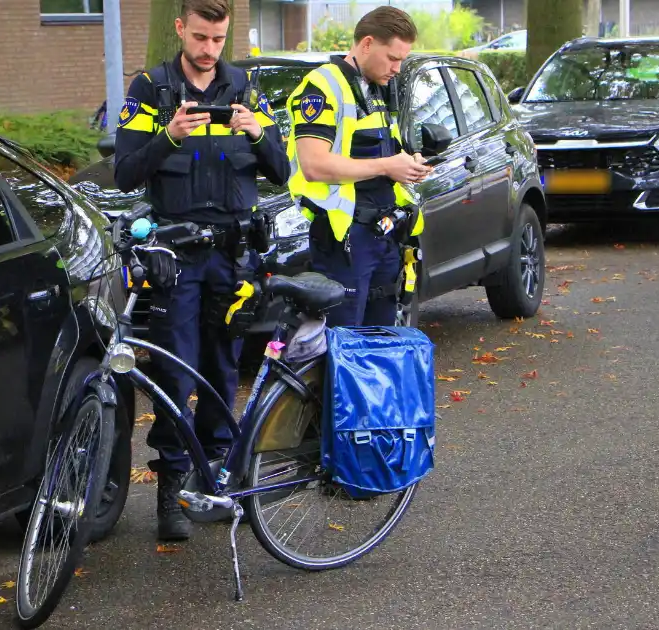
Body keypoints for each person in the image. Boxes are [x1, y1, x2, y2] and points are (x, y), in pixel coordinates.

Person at [112, 0, 289, 542]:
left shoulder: (244, 87)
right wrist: (168, 136)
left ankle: (213, 479)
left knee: (223, 368)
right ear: (180, 28)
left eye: (218, 39)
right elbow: (125, 173)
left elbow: (281, 170)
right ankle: (170, 491)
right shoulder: (151, 89)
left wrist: (257, 132)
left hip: (233, 256)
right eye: (200, 37)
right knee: (175, 374)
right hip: (178, 257)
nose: (209, 49)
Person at [285, 6, 434, 328]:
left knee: (380, 338)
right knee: (344, 339)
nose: (397, 68)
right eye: (392, 58)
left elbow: (381, 150)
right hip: (345, 241)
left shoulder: (375, 87)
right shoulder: (322, 87)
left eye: (402, 60)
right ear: (367, 44)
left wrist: (408, 163)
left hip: (383, 233)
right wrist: (387, 166)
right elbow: (314, 165)